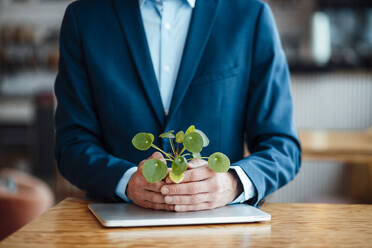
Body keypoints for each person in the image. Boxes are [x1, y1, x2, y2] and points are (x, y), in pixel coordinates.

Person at [54, 0, 301, 212]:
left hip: (222, 230)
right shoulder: (84, 18)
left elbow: (282, 146)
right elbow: (72, 144)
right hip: (112, 227)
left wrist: (233, 183)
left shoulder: (250, 15)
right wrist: (125, 181)